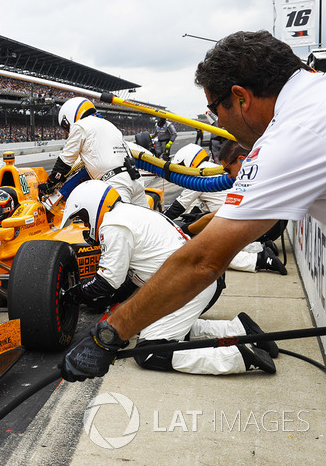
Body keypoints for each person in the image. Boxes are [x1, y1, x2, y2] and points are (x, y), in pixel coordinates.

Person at [60, 29, 326, 382]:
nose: (217, 122)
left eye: (214, 109)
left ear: (240, 97)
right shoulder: (312, 97)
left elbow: (203, 261)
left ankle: (239, 354)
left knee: (150, 348)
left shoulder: (291, 135)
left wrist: (109, 334)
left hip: (198, 278)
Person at [60, 180, 277, 376]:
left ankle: (237, 357)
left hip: (187, 285)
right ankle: (239, 329)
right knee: (161, 327)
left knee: (151, 352)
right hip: (191, 283)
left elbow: (107, 282)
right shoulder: (130, 214)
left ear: (90, 206)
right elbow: (127, 283)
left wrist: (71, 295)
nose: (86, 227)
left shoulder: (113, 225)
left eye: (83, 219)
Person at [163, 143, 286, 275]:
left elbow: (181, 207)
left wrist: (176, 227)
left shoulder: (200, 175)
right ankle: (259, 247)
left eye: (227, 171)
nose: (227, 177)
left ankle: (259, 259)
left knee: (200, 246)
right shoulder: (243, 174)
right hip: (270, 226)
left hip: (264, 228)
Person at [39, 97, 149, 207]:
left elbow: (65, 161)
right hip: (135, 179)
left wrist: (50, 183)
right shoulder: (109, 125)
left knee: (116, 222)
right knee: (145, 221)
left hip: (115, 183)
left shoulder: (80, 126)